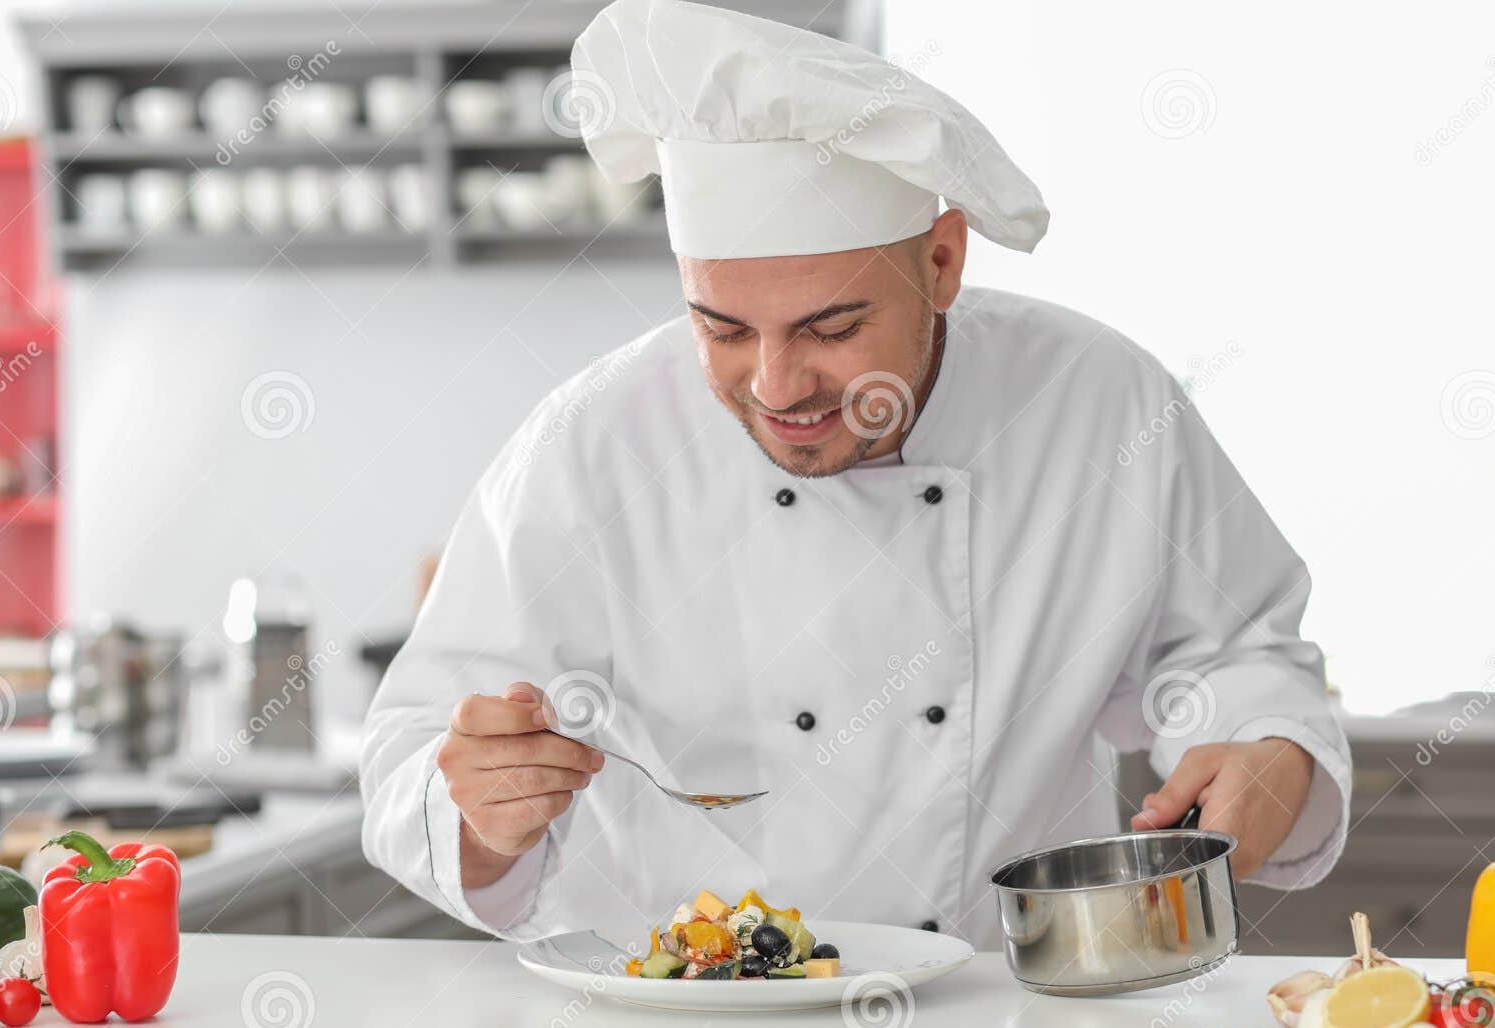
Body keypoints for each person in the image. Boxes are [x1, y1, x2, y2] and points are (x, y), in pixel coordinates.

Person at [360, 0, 1350, 947]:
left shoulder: (1099, 404)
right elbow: (409, 760)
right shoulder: (592, 446)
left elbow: (1236, 652)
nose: (778, 384)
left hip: (998, 1024)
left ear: (942, 263)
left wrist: (1266, 745)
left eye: (832, 328)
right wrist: (481, 815)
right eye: (723, 328)